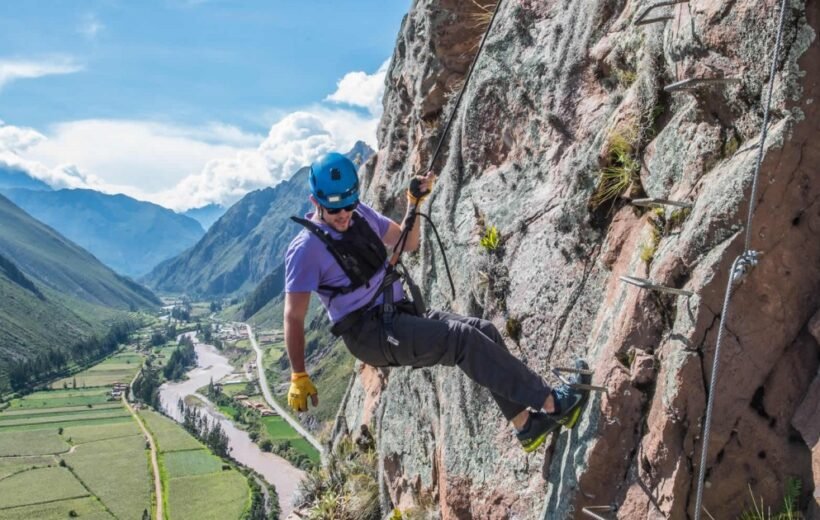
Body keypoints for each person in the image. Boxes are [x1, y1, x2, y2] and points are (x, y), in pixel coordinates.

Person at [283, 152, 587, 452]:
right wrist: (298, 374)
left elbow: (408, 242)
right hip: (368, 334)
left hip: (396, 313)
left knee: (483, 330)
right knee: (462, 341)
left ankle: (526, 427)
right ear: (315, 202)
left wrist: (414, 204)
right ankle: (553, 403)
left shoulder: (361, 214)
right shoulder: (305, 250)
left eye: (348, 205)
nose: (344, 215)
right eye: (334, 209)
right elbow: (293, 317)